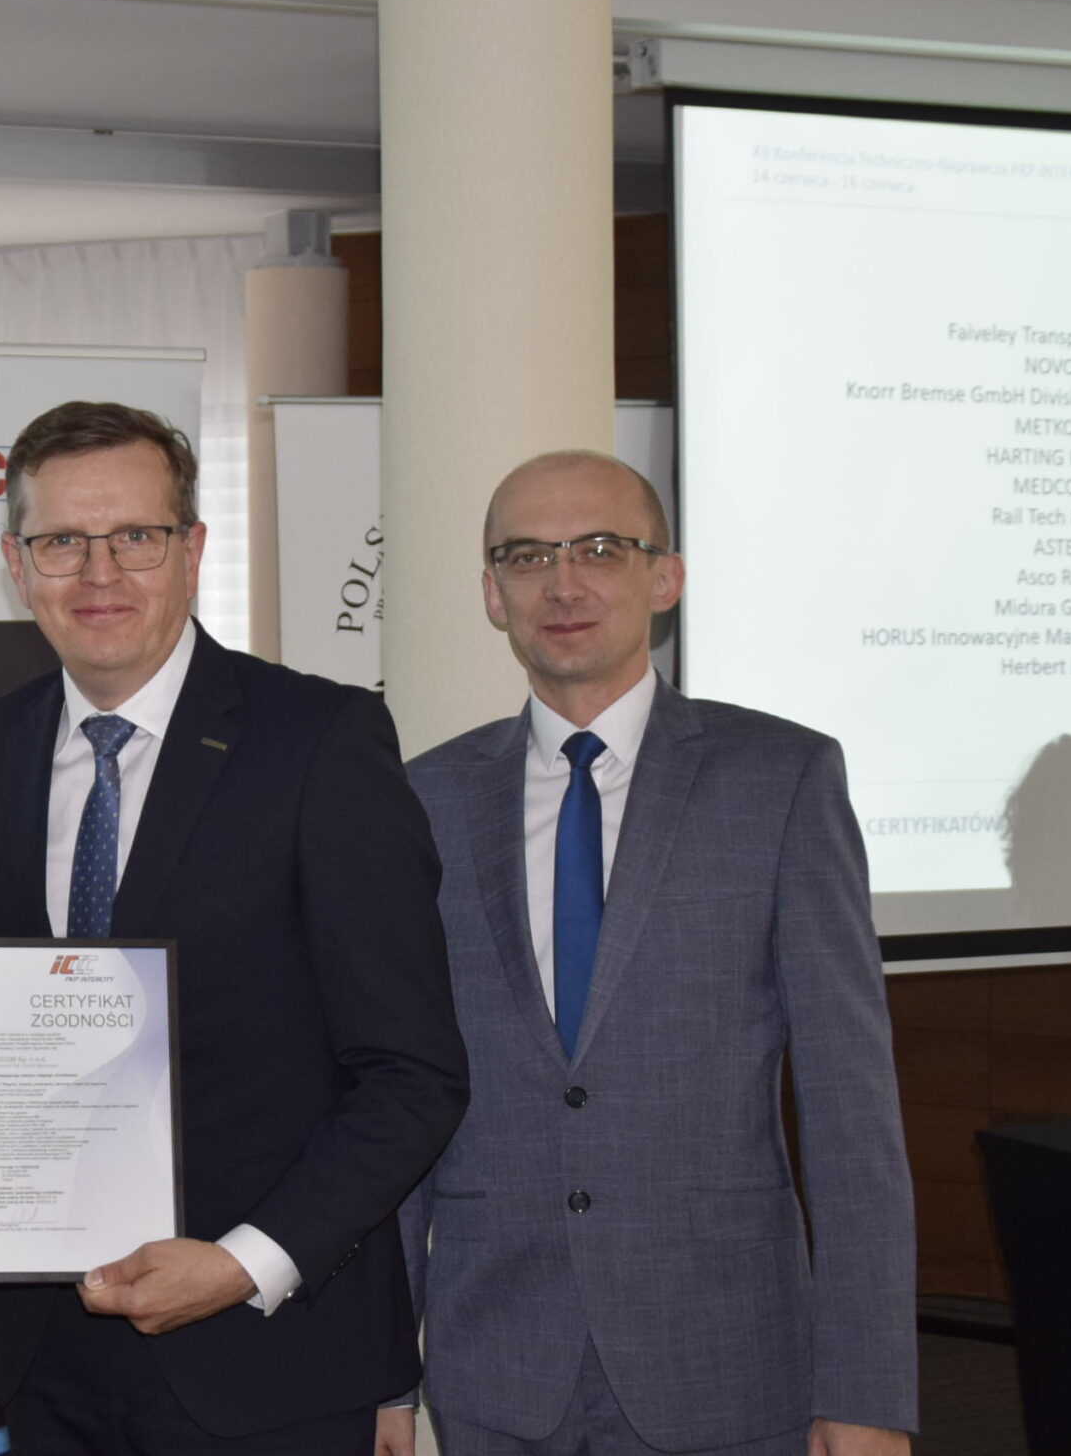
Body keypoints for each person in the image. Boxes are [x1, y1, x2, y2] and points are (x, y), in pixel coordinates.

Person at [0, 400, 468, 1454]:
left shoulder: (319, 739)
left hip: (268, 1354)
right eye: (61, 541)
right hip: (51, 1361)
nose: (99, 572)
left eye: (136, 535)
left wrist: (241, 1262)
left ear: (192, 549)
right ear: (15, 564)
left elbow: (413, 1074)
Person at [380, 450, 915, 1456]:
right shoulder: (423, 800)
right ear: (492, 595)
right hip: (495, 1366)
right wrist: (380, 1376)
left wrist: (869, 1391)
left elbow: (852, 1114)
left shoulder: (781, 779)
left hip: (726, 1359)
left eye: (598, 549)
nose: (562, 583)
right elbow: (400, 1098)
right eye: (528, 556)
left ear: (664, 577)